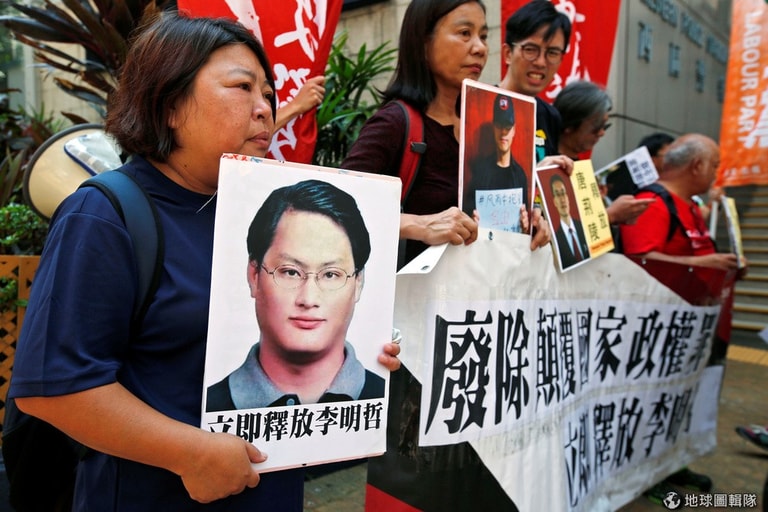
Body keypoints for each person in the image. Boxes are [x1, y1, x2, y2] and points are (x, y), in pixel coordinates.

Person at [7, 13, 400, 511]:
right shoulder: (105, 214)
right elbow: (54, 387)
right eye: (242, 87)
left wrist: (361, 349)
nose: (265, 108)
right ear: (170, 104)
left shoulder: (255, 212)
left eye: (268, 92)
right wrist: (189, 453)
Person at [620, 133, 747, 503]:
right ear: (697, 165)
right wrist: (701, 263)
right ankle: (644, 473)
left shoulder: (689, 207)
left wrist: (723, 268)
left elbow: (697, 257)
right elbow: (637, 262)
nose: (716, 174)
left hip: (691, 331)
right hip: (655, 333)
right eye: (715, 165)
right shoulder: (652, 203)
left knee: (679, 401)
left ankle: (672, 463)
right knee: (649, 404)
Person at [206, 179, 384, 411]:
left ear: (358, 282)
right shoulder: (208, 407)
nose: (308, 299)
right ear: (254, 275)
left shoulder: (388, 400)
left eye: (331, 274)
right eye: (290, 272)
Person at [554, 80, 653, 227]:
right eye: (597, 126)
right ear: (569, 125)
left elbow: (592, 236)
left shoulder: (581, 168)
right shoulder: (547, 165)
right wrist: (611, 215)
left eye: (605, 126)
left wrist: (604, 209)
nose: (601, 133)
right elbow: (561, 231)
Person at [499, 0, 571, 162]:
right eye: (530, 50)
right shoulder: (478, 106)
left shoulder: (550, 116)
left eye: (552, 53)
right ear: (508, 53)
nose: (541, 62)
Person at [463, 93, 529, 224]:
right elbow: (468, 210)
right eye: (499, 126)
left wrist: (525, 223)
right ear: (493, 127)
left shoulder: (520, 175)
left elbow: (524, 217)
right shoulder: (480, 171)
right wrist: (471, 218)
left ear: (514, 130)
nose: (503, 132)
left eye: (507, 127)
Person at [549, 173, 589, 268]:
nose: (562, 200)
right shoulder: (555, 239)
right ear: (554, 201)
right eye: (557, 194)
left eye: (563, 193)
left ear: (568, 197)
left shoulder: (584, 227)